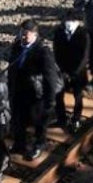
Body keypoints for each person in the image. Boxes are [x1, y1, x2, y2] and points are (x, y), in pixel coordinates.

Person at [7, 19, 61, 161]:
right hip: (18, 90)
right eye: (21, 34)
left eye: (26, 34)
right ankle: (20, 144)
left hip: (35, 94)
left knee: (39, 121)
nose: (23, 37)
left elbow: (50, 77)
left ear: (34, 34)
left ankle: (39, 143)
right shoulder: (17, 46)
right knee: (18, 119)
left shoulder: (43, 51)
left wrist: (50, 99)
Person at [53, 11, 89, 132]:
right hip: (63, 70)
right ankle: (61, 118)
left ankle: (76, 118)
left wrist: (75, 72)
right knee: (58, 95)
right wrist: (60, 69)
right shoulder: (59, 32)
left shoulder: (83, 34)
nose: (68, 23)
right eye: (67, 20)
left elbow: (84, 56)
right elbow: (56, 52)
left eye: (72, 20)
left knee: (77, 96)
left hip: (78, 72)